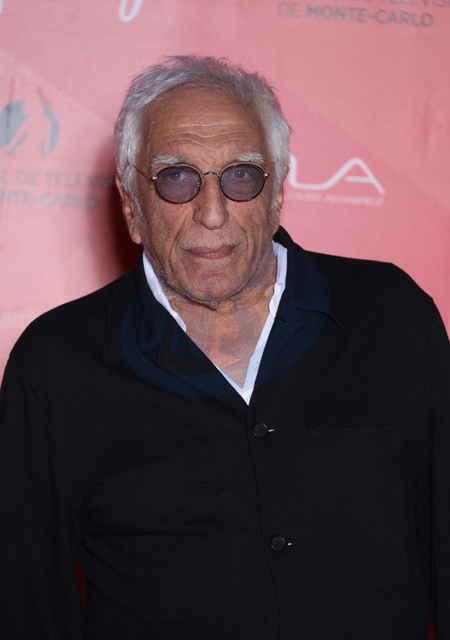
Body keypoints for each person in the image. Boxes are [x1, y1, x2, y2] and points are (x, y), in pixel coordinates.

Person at [0, 55, 449, 640]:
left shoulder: (392, 317)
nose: (212, 214)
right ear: (131, 205)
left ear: (278, 192)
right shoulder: (56, 364)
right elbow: (26, 604)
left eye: (241, 176)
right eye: (176, 178)